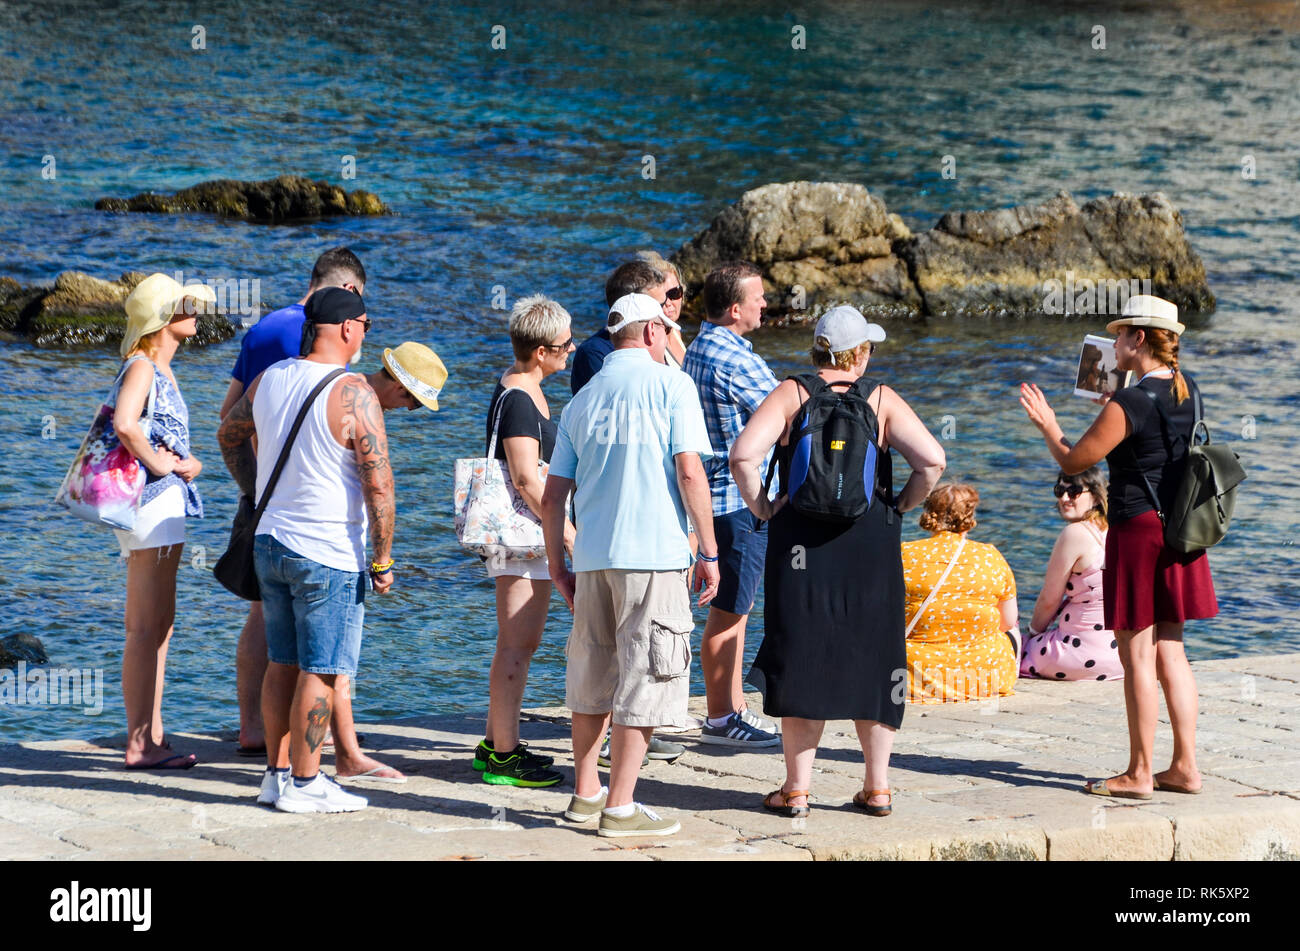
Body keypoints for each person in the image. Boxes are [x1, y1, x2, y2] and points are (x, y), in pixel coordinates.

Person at [730, 306, 945, 818]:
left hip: (799, 538)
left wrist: (763, 506)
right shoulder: (882, 400)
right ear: (861, 354)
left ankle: (797, 790)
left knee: (803, 652)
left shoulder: (792, 392)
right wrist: (899, 506)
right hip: (869, 540)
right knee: (876, 657)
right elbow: (933, 460)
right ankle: (878, 788)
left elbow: (743, 455)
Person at [1019, 294, 1216, 799]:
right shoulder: (1184, 388)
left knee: (1137, 657)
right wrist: (1115, 405)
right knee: (1172, 648)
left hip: (1138, 532)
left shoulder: (1130, 402)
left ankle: (1139, 773)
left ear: (1139, 340)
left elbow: (1073, 460)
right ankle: (1185, 768)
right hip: (1180, 531)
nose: (1113, 343)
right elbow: (1152, 439)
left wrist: (1047, 424)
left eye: (1120, 334)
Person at [541, 292, 720, 836]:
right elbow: (689, 473)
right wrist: (710, 550)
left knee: (593, 675)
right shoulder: (672, 385)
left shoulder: (582, 399)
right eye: (666, 328)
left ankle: (586, 794)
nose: (669, 337)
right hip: (654, 555)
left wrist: (557, 565)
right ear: (649, 333)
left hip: (594, 557)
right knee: (644, 677)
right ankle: (620, 807)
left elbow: (553, 498)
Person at [218, 248, 398, 781]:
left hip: (271, 541)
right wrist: (383, 558)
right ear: (345, 328)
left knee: (282, 664)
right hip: (325, 550)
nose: (366, 333)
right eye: (365, 324)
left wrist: (253, 490)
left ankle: (277, 777)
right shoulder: (355, 393)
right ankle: (306, 780)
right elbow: (380, 484)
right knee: (322, 671)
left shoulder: (270, 379)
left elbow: (228, 433)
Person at [471, 295, 576, 788]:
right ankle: (502, 757)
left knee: (521, 643)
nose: (571, 350)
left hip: (528, 535)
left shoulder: (526, 389)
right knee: (516, 644)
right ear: (540, 351)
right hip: (521, 537)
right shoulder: (518, 398)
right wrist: (568, 533)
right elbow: (526, 478)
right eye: (564, 344)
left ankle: (499, 742)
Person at [111, 273, 215, 769]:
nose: (194, 311)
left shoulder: (161, 370)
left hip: (163, 504)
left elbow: (151, 431)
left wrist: (186, 463)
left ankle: (152, 735)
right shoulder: (143, 368)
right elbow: (125, 423)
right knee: (145, 626)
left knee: (160, 626)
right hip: (150, 503)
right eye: (184, 305)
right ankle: (138, 743)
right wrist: (161, 464)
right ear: (161, 319)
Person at [682, 261, 781, 747]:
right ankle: (722, 716)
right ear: (736, 307)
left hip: (716, 496)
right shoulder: (734, 358)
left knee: (733, 608)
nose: (766, 303)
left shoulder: (700, 346)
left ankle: (734, 706)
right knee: (730, 612)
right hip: (739, 499)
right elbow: (785, 413)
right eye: (758, 297)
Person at [902, 484, 1019, 703]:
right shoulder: (991, 556)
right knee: (1011, 625)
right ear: (970, 515)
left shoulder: (906, 553)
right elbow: (1008, 622)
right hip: (985, 676)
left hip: (914, 675)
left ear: (928, 512)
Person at [1020, 467, 1123, 681]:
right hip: (1121, 656)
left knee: (1009, 641)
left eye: (1074, 491)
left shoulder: (1075, 533)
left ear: (1095, 496)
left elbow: (1050, 599)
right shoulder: (1116, 530)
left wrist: (1032, 635)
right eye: (1059, 490)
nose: (1065, 498)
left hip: (1080, 655)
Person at [569, 258, 686, 394]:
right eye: (657, 306)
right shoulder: (594, 353)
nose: (665, 309)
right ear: (631, 306)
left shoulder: (660, 337)